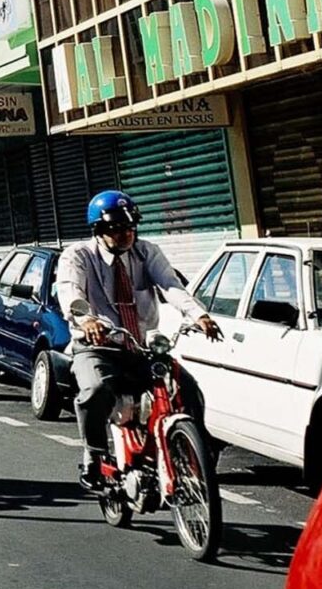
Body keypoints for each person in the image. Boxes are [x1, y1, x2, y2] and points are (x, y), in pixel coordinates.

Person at [57, 190, 220, 491]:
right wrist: (86, 320)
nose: (125, 234)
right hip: (97, 346)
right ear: (98, 230)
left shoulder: (147, 252)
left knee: (188, 388)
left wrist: (199, 315)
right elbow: (70, 292)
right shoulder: (78, 256)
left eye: (130, 227)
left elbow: (170, 285)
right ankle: (93, 454)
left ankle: (197, 453)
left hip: (140, 348)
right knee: (95, 389)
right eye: (116, 229)